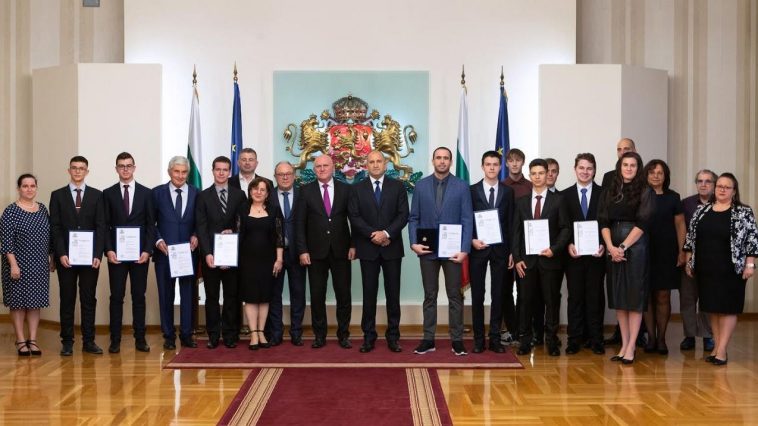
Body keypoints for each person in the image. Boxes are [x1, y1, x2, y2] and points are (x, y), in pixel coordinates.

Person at [684, 173, 758, 365]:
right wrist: (689, 262)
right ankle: (717, 347)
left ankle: (722, 351)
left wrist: (750, 264)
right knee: (713, 309)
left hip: (732, 269)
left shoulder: (743, 211)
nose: (722, 190)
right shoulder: (702, 211)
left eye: (727, 187)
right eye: (719, 186)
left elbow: (752, 239)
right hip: (706, 268)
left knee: (727, 309)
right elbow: (690, 239)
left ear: (734, 191)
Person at [408, 147, 473, 356]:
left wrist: (464, 249)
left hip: (453, 251)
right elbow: (413, 218)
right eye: (439, 158)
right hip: (427, 250)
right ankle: (428, 339)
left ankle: (457, 340)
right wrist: (413, 242)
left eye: (446, 158)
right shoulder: (421, 185)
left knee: (455, 296)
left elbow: (467, 219)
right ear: (433, 160)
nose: (442, 161)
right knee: (430, 295)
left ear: (451, 162)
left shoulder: (462, 186)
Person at [348, 151, 409, 353]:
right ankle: (369, 336)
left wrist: (386, 233)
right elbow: (354, 217)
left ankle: (393, 337)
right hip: (368, 249)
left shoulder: (398, 186)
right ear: (366, 165)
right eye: (371, 161)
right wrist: (373, 235)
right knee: (369, 295)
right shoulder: (357, 189)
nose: (375, 165)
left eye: (379, 161)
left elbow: (403, 215)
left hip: (392, 248)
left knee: (393, 295)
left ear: (386, 164)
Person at [598, 152, 654, 364]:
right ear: (619, 167)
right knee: (619, 298)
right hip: (613, 246)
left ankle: (631, 347)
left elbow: (643, 223)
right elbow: (603, 221)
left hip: (635, 246)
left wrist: (622, 247)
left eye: (633, 165)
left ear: (638, 168)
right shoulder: (609, 190)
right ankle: (624, 344)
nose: (629, 168)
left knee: (634, 298)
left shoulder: (645, 191)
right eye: (625, 164)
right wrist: (611, 247)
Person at [294, 154, 355, 349]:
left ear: (333, 167)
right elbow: (299, 223)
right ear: (314, 170)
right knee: (317, 296)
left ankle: (343, 335)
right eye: (318, 166)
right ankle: (319, 335)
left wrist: (354, 245)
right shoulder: (305, 191)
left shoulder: (346, 189)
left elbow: (354, 219)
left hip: (341, 251)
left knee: (343, 295)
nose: (321, 169)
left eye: (325, 165)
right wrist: (302, 250)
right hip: (315, 252)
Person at [512, 159, 570, 357]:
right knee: (525, 301)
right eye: (534, 173)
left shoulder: (558, 201)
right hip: (526, 262)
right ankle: (525, 341)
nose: (537, 177)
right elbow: (516, 233)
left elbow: (565, 228)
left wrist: (555, 249)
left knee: (551, 302)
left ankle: (551, 341)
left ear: (548, 175)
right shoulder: (521, 202)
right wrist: (517, 258)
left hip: (550, 260)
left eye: (541, 173)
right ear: (530, 176)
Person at [49, 156, 106, 356]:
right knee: (67, 299)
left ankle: (89, 341)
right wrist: (61, 253)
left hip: (90, 259)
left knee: (88, 299)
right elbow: (55, 228)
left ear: (87, 171)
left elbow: (101, 226)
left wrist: (98, 254)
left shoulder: (97, 195)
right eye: (74, 168)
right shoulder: (57, 195)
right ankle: (67, 342)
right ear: (69, 171)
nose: (78, 171)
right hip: (66, 258)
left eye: (81, 168)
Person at [102, 152, 155, 353]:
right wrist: (108, 250)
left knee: (138, 296)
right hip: (116, 256)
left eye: (128, 165)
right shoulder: (108, 193)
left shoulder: (146, 193)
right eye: (121, 166)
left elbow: (151, 225)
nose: (125, 169)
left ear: (134, 168)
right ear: (116, 169)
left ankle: (140, 338)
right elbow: (104, 225)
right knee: (116, 297)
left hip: (140, 256)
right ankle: (115, 339)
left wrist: (147, 251)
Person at [195, 156, 247, 349]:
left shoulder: (239, 195)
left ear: (230, 172)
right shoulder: (203, 196)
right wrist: (207, 253)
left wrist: (233, 233)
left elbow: (244, 224)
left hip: (232, 255)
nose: (221, 173)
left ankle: (230, 334)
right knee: (212, 297)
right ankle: (214, 335)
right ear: (213, 171)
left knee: (232, 297)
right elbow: (201, 227)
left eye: (225, 169)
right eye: (218, 169)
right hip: (211, 257)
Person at [1, 174, 53, 356]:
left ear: (36, 188)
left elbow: (49, 237)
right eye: (25, 186)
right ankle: (21, 340)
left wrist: (51, 258)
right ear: (19, 189)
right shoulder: (10, 211)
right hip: (18, 264)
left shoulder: (42, 209)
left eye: (32, 185)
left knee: (34, 303)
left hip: (39, 264)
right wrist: (13, 265)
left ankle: (33, 340)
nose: (29, 189)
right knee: (18, 303)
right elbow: (6, 241)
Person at [469, 150, 514, 354]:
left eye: (495, 164)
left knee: (499, 294)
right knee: (478, 294)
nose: (492, 168)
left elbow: (511, 222)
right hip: (478, 249)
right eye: (488, 164)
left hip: (501, 250)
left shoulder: (508, 192)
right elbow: (466, 218)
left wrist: (512, 251)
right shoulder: (472, 191)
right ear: (482, 166)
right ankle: (479, 339)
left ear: (500, 167)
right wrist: (471, 240)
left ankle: (494, 338)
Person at [152, 156, 200, 350]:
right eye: (176, 171)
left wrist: (196, 234)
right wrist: (157, 240)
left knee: (188, 295)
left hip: (188, 253)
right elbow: (150, 222)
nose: (180, 175)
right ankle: (169, 335)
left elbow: (201, 220)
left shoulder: (197, 193)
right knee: (166, 295)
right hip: (164, 253)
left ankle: (187, 334)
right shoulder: (157, 193)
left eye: (184, 172)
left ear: (188, 173)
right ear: (169, 171)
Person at [562, 153, 606, 355]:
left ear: (594, 170)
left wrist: (604, 245)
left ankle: (596, 339)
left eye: (589, 168)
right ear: (575, 169)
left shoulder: (604, 193)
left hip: (597, 255)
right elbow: (562, 226)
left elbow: (607, 223)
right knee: (575, 297)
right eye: (581, 168)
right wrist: (568, 245)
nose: (585, 172)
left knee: (595, 297)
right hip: (574, 256)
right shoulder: (565, 195)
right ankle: (574, 339)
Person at [642, 160, 686, 355]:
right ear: (646, 175)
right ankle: (651, 338)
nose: (656, 176)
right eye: (652, 172)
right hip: (643, 251)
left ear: (665, 176)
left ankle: (661, 339)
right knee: (646, 296)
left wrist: (682, 250)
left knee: (663, 295)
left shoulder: (673, 197)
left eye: (660, 173)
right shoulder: (639, 196)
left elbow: (680, 225)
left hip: (666, 252)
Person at [239, 177, 284, 350]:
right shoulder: (242, 209)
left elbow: (279, 237)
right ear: (250, 191)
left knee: (265, 297)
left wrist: (279, 259)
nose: (258, 192)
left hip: (268, 261)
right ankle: (253, 334)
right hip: (247, 261)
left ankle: (261, 332)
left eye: (262, 189)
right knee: (251, 298)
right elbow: (237, 235)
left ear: (267, 193)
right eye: (255, 189)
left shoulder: (274, 210)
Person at [265, 161, 306, 346]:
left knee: (298, 293)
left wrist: (305, 250)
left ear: (294, 175)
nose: (285, 177)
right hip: (274, 254)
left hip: (298, 252)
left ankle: (296, 331)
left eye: (288, 173)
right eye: (281, 174)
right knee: (275, 294)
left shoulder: (303, 195)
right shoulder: (267, 196)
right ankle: (276, 332)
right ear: (275, 177)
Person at [679, 169, 717, 352]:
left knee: (708, 298)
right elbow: (681, 231)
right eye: (700, 181)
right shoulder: (686, 204)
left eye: (708, 181)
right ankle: (689, 336)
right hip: (689, 257)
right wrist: (684, 256)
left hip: (712, 260)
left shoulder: (721, 203)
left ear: (714, 185)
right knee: (687, 298)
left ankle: (708, 335)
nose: (703, 184)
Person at [500, 148, 532, 345]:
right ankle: (511, 329)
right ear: (506, 163)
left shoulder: (530, 186)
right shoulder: (501, 186)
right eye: (511, 160)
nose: (514, 163)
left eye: (517, 160)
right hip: (505, 246)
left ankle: (522, 329)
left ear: (523, 162)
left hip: (526, 246)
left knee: (524, 291)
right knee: (505, 289)